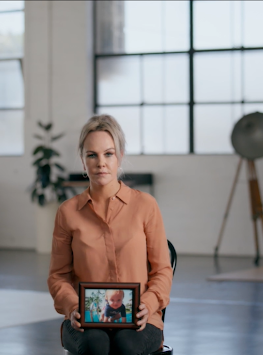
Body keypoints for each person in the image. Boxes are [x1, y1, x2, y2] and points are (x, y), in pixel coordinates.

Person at [47, 114, 173, 355]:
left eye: (108, 154)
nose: (100, 163)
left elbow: (162, 271)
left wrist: (148, 304)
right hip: (84, 321)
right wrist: (73, 307)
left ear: (120, 157)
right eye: (91, 155)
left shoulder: (146, 206)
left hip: (140, 321)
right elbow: (57, 277)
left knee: (126, 344)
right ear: (83, 162)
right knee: (96, 344)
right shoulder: (67, 212)